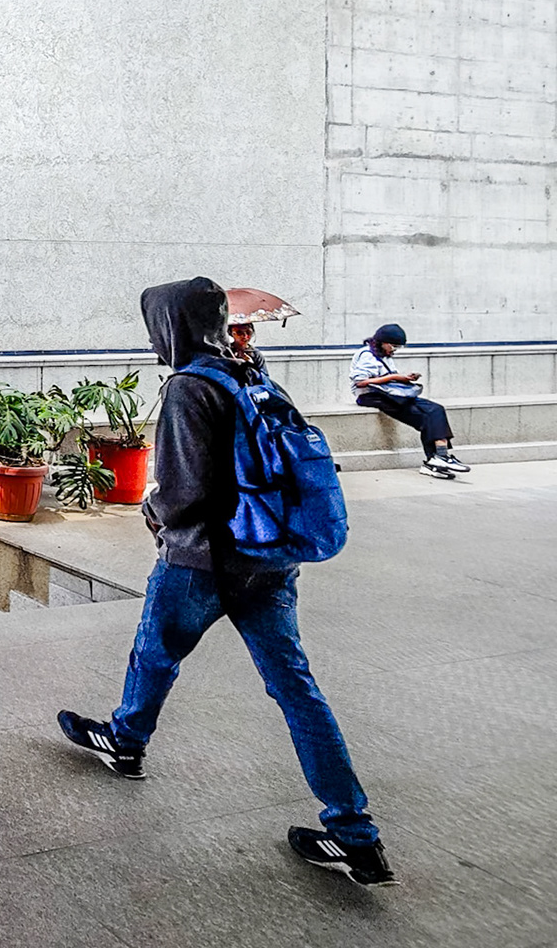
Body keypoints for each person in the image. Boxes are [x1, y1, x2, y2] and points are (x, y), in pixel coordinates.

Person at [58, 277, 395, 887]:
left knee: (155, 654)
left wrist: (155, 518)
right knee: (297, 691)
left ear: (170, 327)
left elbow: (182, 492)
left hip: (201, 565)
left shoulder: (189, 388)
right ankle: (355, 833)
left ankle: (126, 742)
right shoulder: (252, 372)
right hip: (269, 563)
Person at [352, 324, 466, 479]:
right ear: (382, 342)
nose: (394, 350)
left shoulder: (384, 355)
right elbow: (360, 382)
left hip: (390, 394)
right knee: (425, 416)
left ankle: (439, 458)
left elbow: (388, 378)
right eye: (393, 346)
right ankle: (437, 458)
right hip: (372, 396)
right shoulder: (366, 355)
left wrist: (405, 379)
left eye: (398, 347)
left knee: (436, 409)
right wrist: (395, 377)